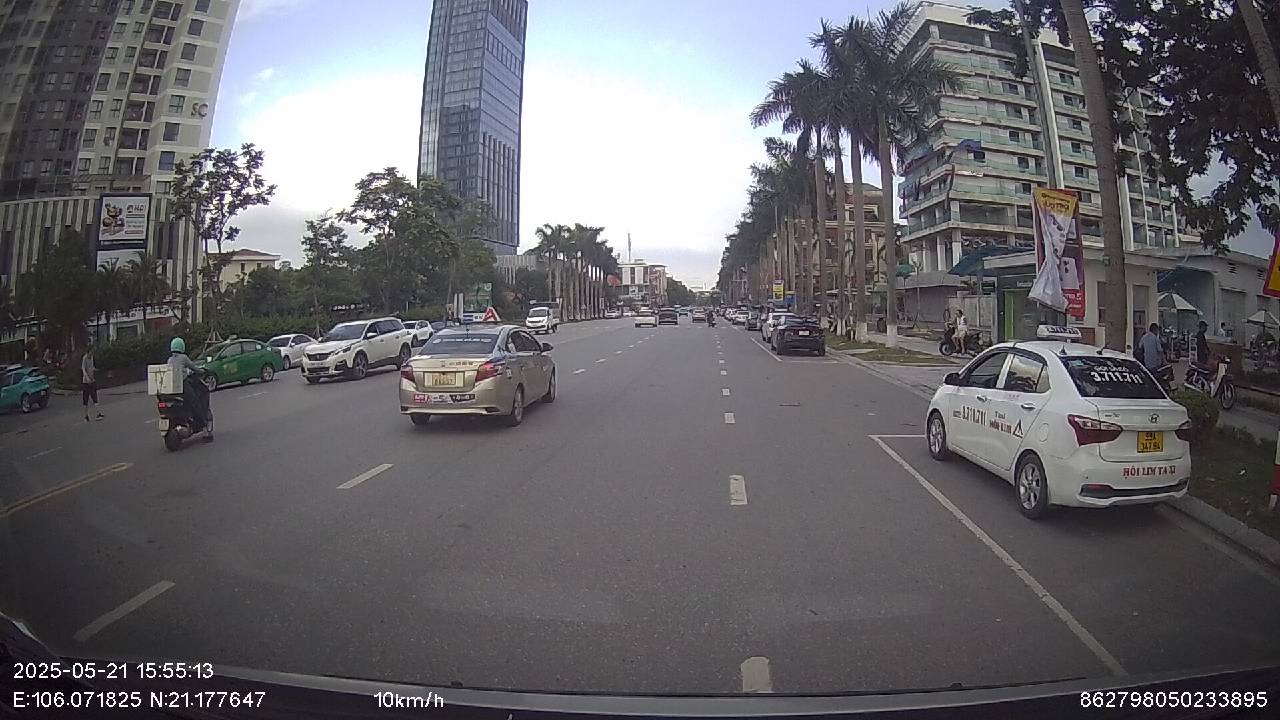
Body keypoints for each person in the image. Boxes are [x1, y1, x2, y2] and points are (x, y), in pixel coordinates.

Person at [167, 337, 209, 429]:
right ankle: (202, 422)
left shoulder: (169, 360)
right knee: (195, 402)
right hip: (183, 385)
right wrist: (202, 371)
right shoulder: (184, 357)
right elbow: (194, 368)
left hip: (172, 388)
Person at [81, 343, 102, 421]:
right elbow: (83, 369)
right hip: (86, 382)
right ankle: (86, 416)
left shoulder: (92, 357)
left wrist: (94, 369)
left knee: (95, 396)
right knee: (85, 399)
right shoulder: (85, 358)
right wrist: (87, 378)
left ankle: (98, 413)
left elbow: (91, 367)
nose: (92, 353)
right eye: (91, 352)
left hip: (92, 381)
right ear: (88, 351)